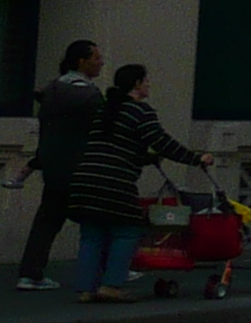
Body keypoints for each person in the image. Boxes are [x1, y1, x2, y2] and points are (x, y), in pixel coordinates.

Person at [63, 65, 215, 304]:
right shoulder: (140, 112)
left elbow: (113, 145)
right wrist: (197, 159)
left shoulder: (104, 111)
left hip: (85, 179)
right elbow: (162, 142)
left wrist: (144, 158)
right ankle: (112, 285)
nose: (149, 85)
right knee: (127, 231)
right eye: (146, 81)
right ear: (136, 84)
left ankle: (85, 289)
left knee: (92, 235)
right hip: (115, 182)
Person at [6, 40, 103, 290]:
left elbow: (50, 134)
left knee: (47, 221)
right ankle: (114, 269)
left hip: (53, 166)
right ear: (82, 62)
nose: (100, 62)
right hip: (83, 166)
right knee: (104, 218)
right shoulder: (91, 96)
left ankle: (31, 273)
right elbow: (100, 131)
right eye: (96, 58)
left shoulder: (51, 91)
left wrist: (37, 162)